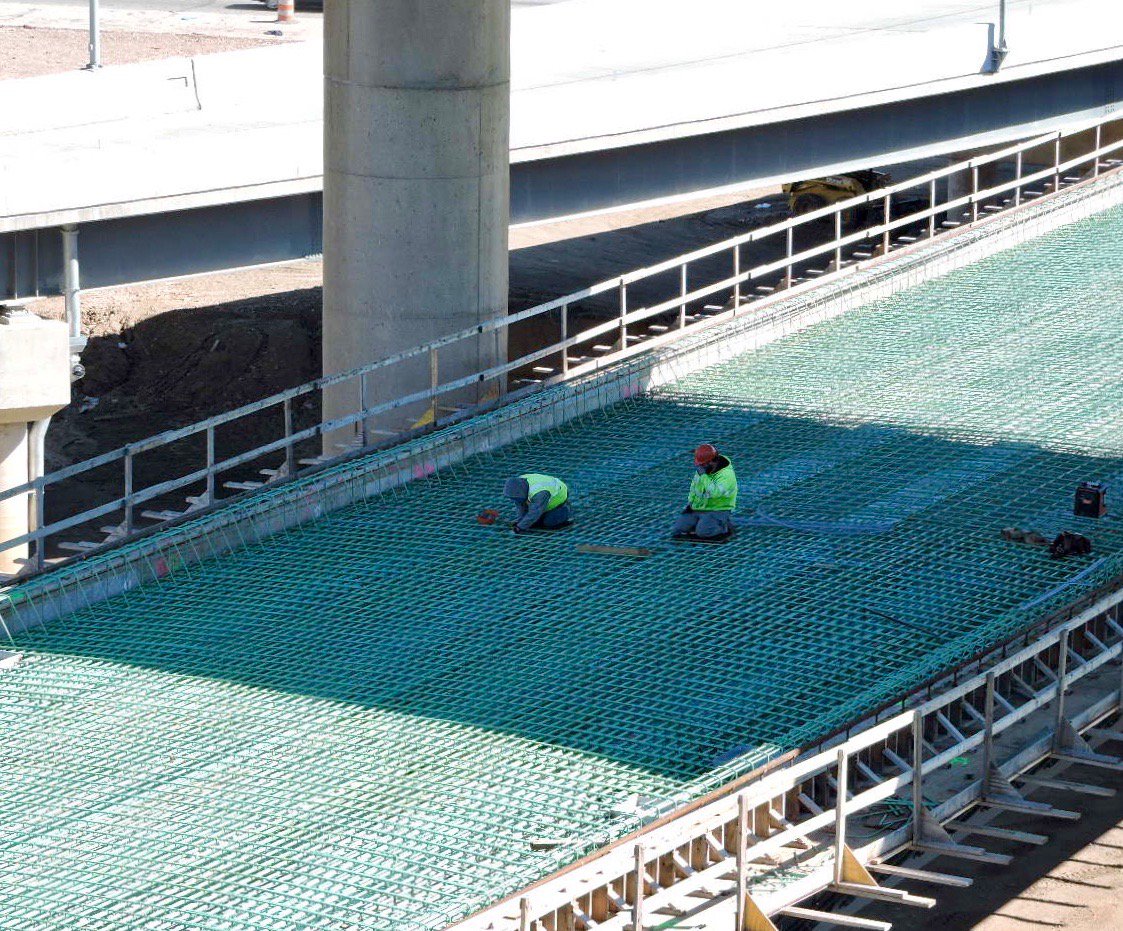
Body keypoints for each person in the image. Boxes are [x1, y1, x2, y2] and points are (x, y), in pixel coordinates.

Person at [673, 444, 738, 540]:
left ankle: (725, 528)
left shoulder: (725, 475)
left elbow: (715, 493)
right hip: (700, 507)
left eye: (702, 464)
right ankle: (701, 523)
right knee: (679, 528)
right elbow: (695, 488)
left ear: (712, 461)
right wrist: (691, 505)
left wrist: (704, 476)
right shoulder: (704, 469)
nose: (700, 466)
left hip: (718, 508)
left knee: (704, 532)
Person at [504, 473, 573, 534]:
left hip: (559, 498)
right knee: (531, 521)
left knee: (548, 522)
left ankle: (566, 510)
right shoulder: (519, 483)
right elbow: (520, 505)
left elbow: (534, 512)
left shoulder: (540, 493)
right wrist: (520, 521)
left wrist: (519, 528)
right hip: (542, 499)